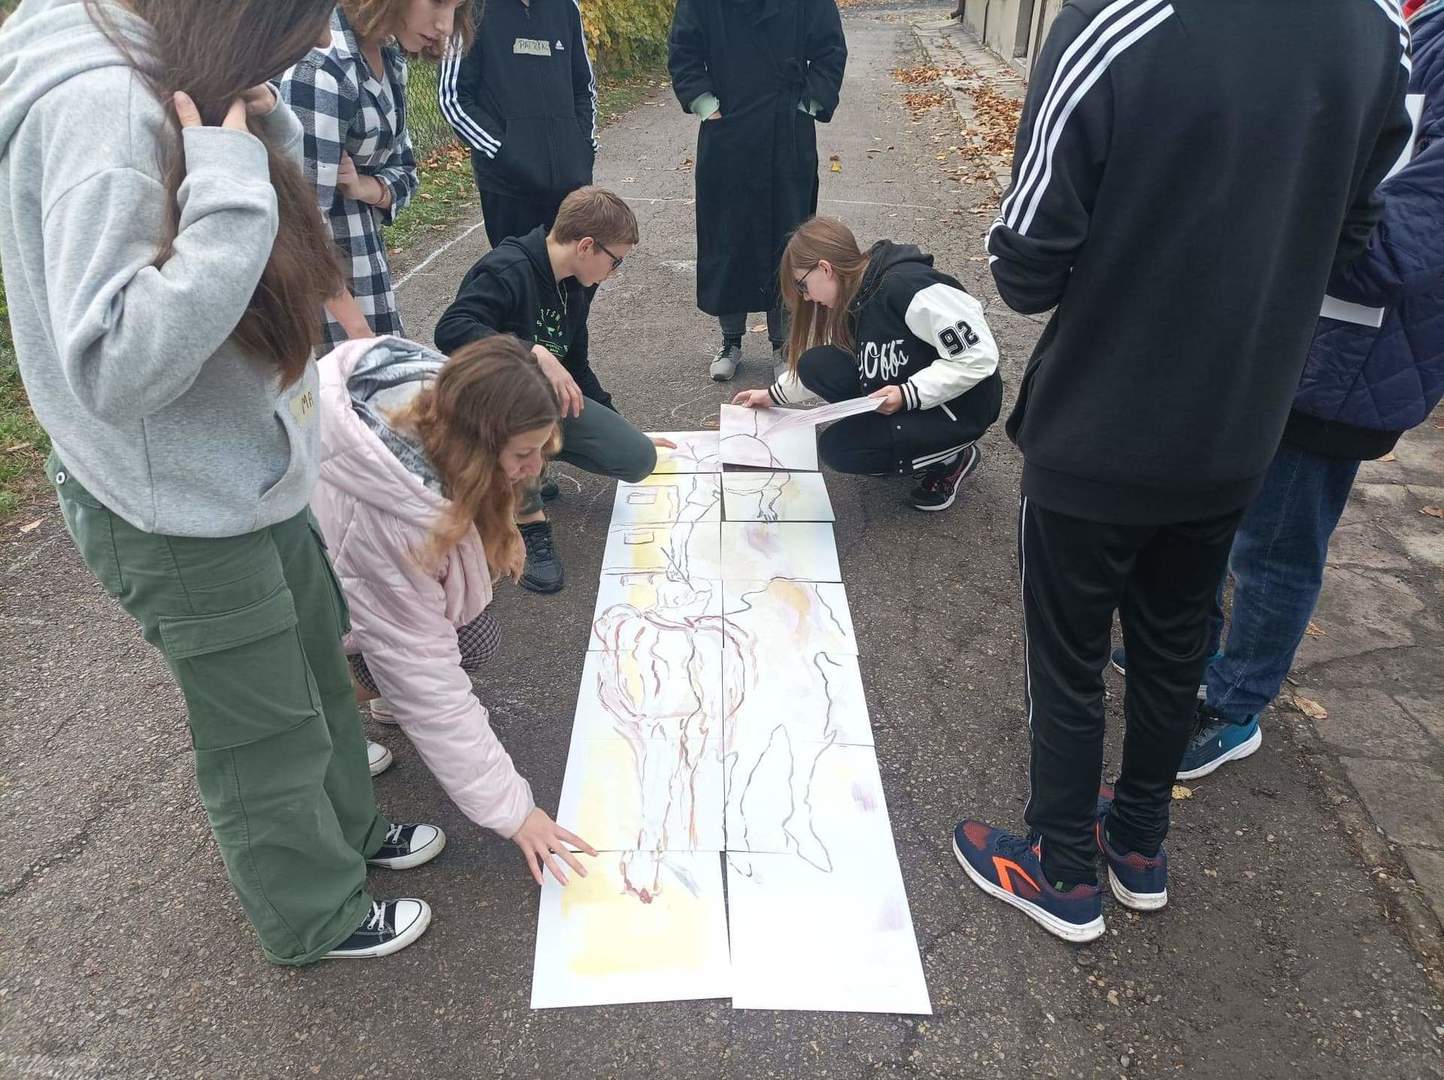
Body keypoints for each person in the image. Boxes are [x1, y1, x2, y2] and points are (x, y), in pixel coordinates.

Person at [951, 0, 1413, 943]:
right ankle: (1139, 845)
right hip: (1239, 425)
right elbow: (1356, 227)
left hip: (1101, 428)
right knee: (1176, 648)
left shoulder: (1116, 21)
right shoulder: (1378, 27)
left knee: (1069, 657)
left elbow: (1025, 263)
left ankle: (1061, 869)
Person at [0, 0, 445, 963]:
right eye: (302, 20)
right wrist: (236, 178)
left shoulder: (169, 60)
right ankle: (312, 913)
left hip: (247, 464)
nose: (316, 42)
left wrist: (258, 135)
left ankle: (351, 832)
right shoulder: (99, 108)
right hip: (177, 500)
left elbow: (254, 234)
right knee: (262, 729)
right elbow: (115, 363)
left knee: (317, 669)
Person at [1113, 0, 1444, 783]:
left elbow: (1414, 237)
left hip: (1348, 354)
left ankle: (1235, 705)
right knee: (1214, 504)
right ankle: (1194, 648)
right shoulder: (1384, 21)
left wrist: (1267, 214)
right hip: (1274, 321)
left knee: (1278, 543)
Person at [312, 333, 600, 885]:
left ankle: (358, 689)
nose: (533, 469)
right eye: (522, 455)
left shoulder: (443, 396)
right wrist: (516, 811)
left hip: (358, 580)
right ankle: (322, 714)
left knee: (474, 636)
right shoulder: (392, 524)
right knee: (419, 665)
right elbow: (425, 679)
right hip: (310, 608)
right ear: (477, 446)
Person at [435, 187, 666, 595]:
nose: (614, 272)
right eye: (615, 261)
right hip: (488, 406)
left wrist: (618, 422)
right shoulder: (507, 268)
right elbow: (451, 329)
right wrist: (533, 351)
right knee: (519, 404)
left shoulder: (576, 284)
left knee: (638, 458)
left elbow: (576, 366)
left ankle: (532, 467)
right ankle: (528, 523)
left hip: (539, 406)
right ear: (586, 245)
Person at [732, 216, 1003, 511]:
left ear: (825, 268)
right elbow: (847, 358)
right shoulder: (857, 294)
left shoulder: (907, 287)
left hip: (959, 409)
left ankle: (951, 458)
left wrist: (908, 394)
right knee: (815, 364)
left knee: (840, 450)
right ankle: (895, 438)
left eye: (803, 285)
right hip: (910, 392)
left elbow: (979, 356)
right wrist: (772, 396)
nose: (806, 297)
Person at [668, 0, 847, 382]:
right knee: (726, 238)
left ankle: (784, 344)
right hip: (727, 130)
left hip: (788, 131)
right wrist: (705, 104)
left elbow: (830, 48)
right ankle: (730, 340)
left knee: (790, 239)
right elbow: (684, 50)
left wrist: (809, 104)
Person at [281, 0, 472, 354]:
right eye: (438, 2)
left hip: (368, 267)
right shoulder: (322, 67)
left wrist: (365, 187)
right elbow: (301, 226)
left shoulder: (390, 57)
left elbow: (406, 171)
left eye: (456, 9)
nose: (446, 25)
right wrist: (358, 330)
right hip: (324, 299)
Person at [438, 0, 597, 248]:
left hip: (571, 183)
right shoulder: (469, 8)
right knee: (519, 270)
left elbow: (584, 87)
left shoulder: (567, 6)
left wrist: (583, 146)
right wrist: (505, 153)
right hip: (508, 187)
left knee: (578, 270)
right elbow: (453, 98)